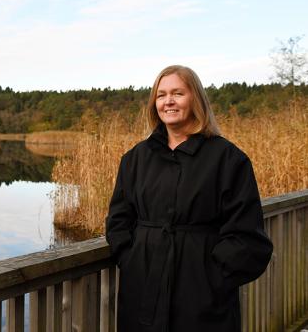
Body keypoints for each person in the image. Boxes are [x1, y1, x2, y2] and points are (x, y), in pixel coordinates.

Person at [105, 65, 273, 332]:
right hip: (143, 288)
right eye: (161, 95)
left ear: (195, 98)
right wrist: (131, 259)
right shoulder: (135, 158)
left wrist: (212, 277)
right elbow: (118, 221)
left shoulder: (228, 159)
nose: (168, 101)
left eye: (177, 93)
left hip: (203, 298)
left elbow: (247, 237)